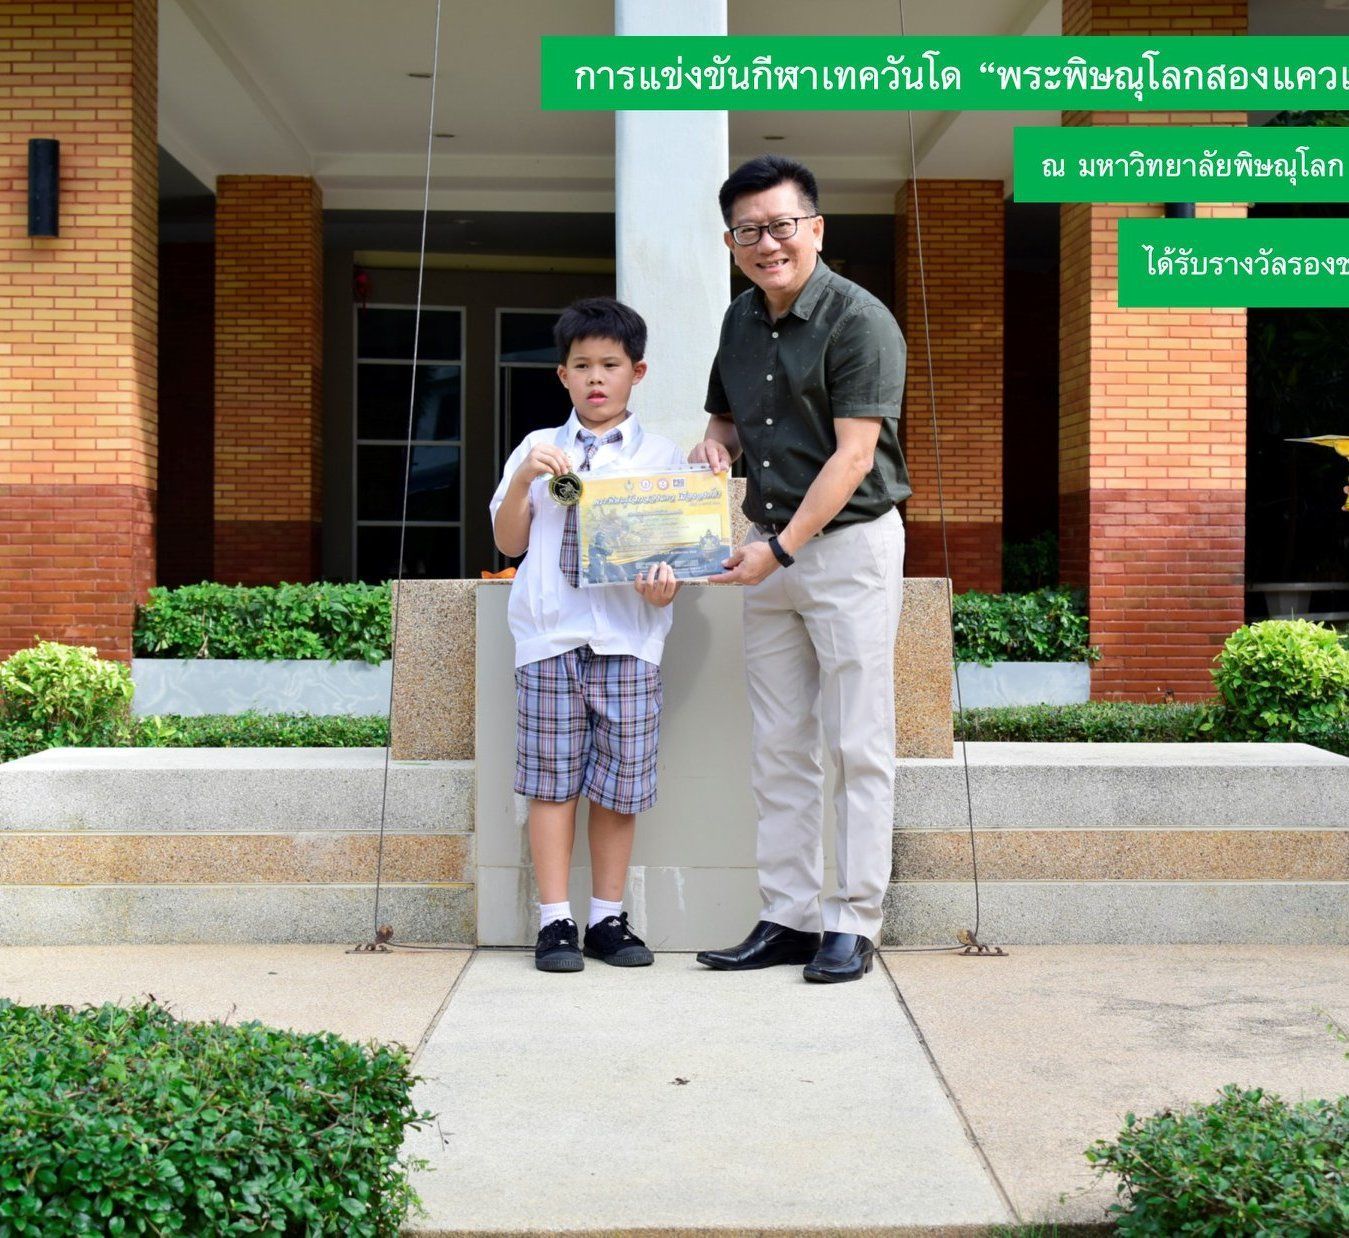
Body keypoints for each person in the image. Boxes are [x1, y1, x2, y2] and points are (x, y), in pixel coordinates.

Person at [690, 155, 910, 984]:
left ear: (814, 228)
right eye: (748, 230)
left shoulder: (860, 321)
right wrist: (714, 446)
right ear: (730, 241)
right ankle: (787, 917)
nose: (767, 243)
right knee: (778, 746)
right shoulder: (738, 319)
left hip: (845, 548)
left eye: (781, 225)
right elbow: (724, 420)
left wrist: (779, 549)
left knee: (856, 742)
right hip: (768, 550)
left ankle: (851, 922)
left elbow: (854, 457)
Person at [491, 297, 685, 973]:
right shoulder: (537, 448)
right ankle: (555, 921)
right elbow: (509, 543)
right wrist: (525, 477)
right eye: (582, 365)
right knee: (551, 784)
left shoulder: (661, 456)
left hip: (628, 639)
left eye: (610, 364)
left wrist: (664, 587)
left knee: (620, 786)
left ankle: (607, 918)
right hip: (550, 638)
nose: (596, 377)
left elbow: (672, 557)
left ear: (637, 372)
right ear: (562, 375)